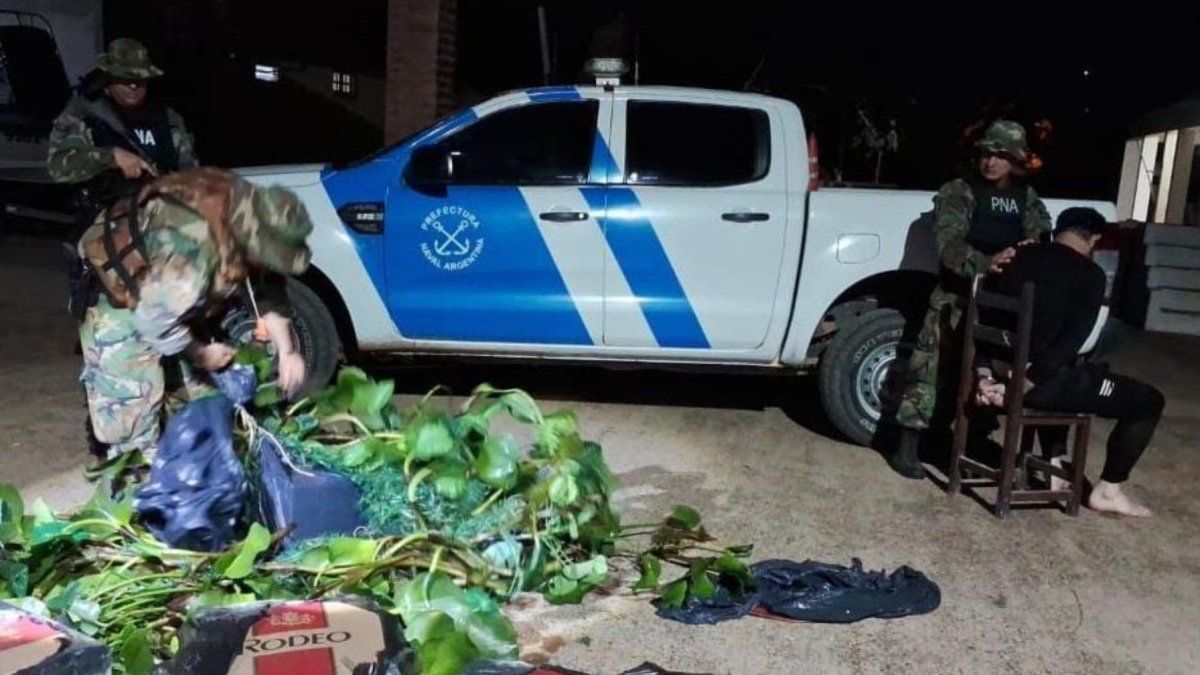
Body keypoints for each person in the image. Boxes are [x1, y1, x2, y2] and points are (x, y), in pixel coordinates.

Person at [76, 167, 311, 465]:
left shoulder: (254, 217)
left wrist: (288, 351)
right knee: (131, 429)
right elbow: (152, 320)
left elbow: (267, 287)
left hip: (172, 296)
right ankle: (130, 488)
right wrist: (200, 354)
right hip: (128, 303)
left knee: (206, 404)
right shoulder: (192, 251)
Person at [889, 120, 1051, 478]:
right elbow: (949, 245)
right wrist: (985, 262)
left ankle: (967, 444)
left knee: (987, 378)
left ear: (1016, 160)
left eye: (1000, 155)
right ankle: (907, 446)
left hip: (1000, 303)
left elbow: (1040, 237)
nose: (990, 162)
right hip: (955, 297)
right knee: (930, 372)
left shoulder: (1027, 199)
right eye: (985, 154)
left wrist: (1029, 251)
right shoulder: (959, 191)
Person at [979, 207, 1164, 517]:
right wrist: (1020, 386)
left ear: (1057, 230)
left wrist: (985, 374)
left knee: (1075, 371)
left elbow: (986, 319)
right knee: (1147, 401)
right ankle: (1109, 490)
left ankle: (1053, 463)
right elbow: (1069, 344)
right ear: (1093, 239)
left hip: (997, 371)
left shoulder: (1013, 258)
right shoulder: (1090, 275)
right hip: (1036, 384)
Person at [48, 38, 198, 209]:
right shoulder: (84, 113)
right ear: (108, 78)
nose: (134, 85)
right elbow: (58, 167)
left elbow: (189, 169)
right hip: (104, 214)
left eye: (141, 80)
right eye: (126, 78)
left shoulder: (165, 117)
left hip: (159, 211)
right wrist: (111, 158)